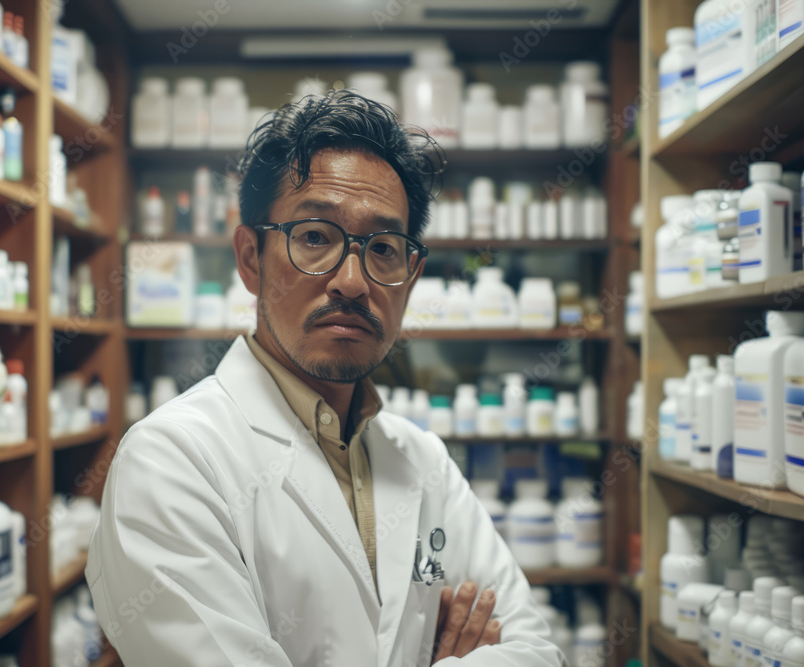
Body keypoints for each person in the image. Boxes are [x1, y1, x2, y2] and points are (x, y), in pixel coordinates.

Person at [86, 90, 564, 666]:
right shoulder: (172, 460)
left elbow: (535, 650)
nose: (353, 281)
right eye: (316, 236)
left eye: (384, 247)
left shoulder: (424, 461)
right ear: (250, 258)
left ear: (410, 278)